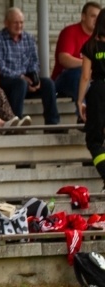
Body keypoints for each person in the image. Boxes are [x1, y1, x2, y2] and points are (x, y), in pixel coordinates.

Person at [0, 8, 60, 126]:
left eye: (21, 22)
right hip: (6, 81)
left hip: (25, 81)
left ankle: (52, 123)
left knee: (48, 83)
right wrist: (21, 77)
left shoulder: (29, 38)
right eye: (15, 22)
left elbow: (34, 62)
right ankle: (15, 121)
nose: (19, 26)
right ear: (6, 23)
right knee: (19, 83)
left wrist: (34, 79)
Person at [53, 2, 102, 117]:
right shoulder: (70, 32)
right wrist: (88, 64)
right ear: (83, 17)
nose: (96, 20)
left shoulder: (99, 38)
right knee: (80, 73)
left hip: (89, 79)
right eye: (92, 16)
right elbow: (64, 59)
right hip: (63, 79)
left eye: (98, 17)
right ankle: (83, 115)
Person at [78, 9, 105, 188]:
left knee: (94, 141)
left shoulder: (90, 46)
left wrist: (80, 101)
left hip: (98, 91)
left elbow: (86, 76)